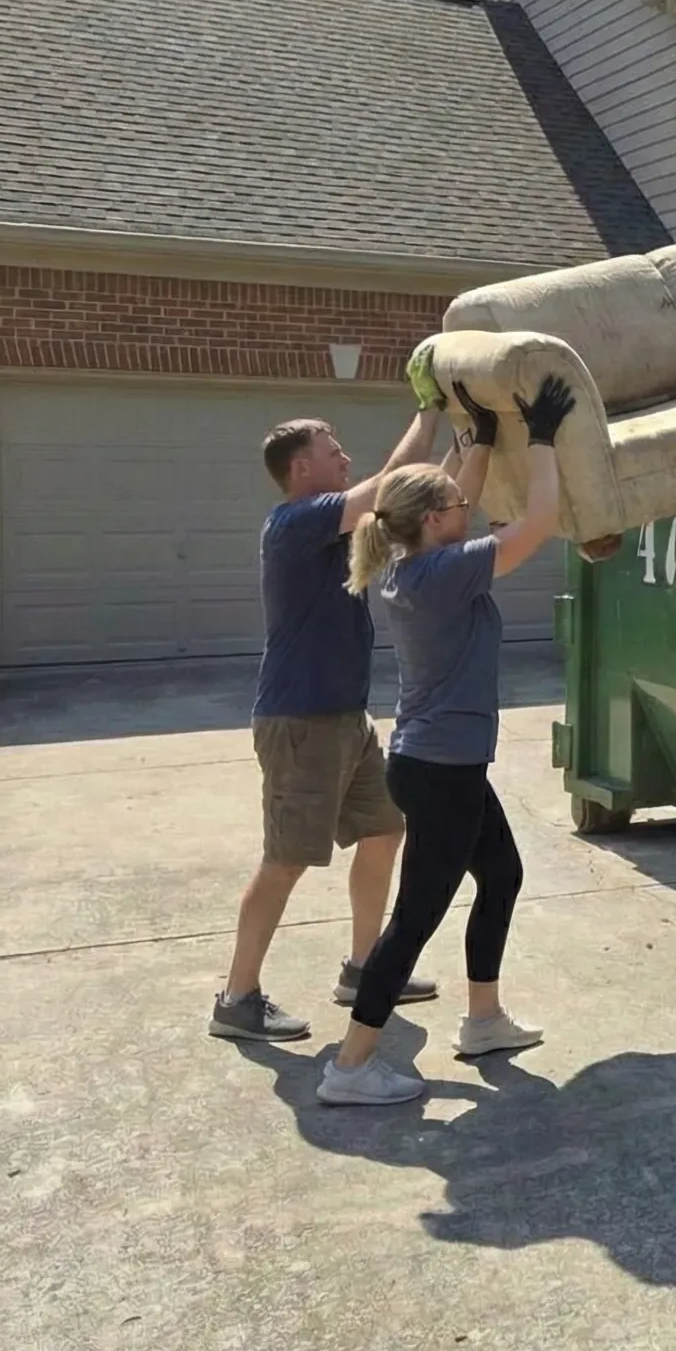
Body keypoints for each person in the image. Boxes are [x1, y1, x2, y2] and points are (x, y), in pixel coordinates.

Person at [315, 371, 575, 1106]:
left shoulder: (407, 560)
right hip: (443, 770)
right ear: (434, 520)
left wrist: (484, 440)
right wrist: (547, 440)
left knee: (503, 875)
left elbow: (449, 488)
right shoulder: (449, 570)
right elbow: (541, 521)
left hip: (439, 763)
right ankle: (351, 1066)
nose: (469, 505)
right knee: (416, 918)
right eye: (460, 505)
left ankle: (484, 1020)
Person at [208, 344, 453, 1044]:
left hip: (346, 719)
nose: (344, 458)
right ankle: (237, 996)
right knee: (286, 858)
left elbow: (406, 498)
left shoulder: (335, 530)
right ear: (300, 469)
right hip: (300, 722)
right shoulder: (291, 524)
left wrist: (467, 445)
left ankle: (365, 967)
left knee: (384, 830)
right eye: (332, 449)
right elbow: (390, 482)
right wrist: (428, 410)